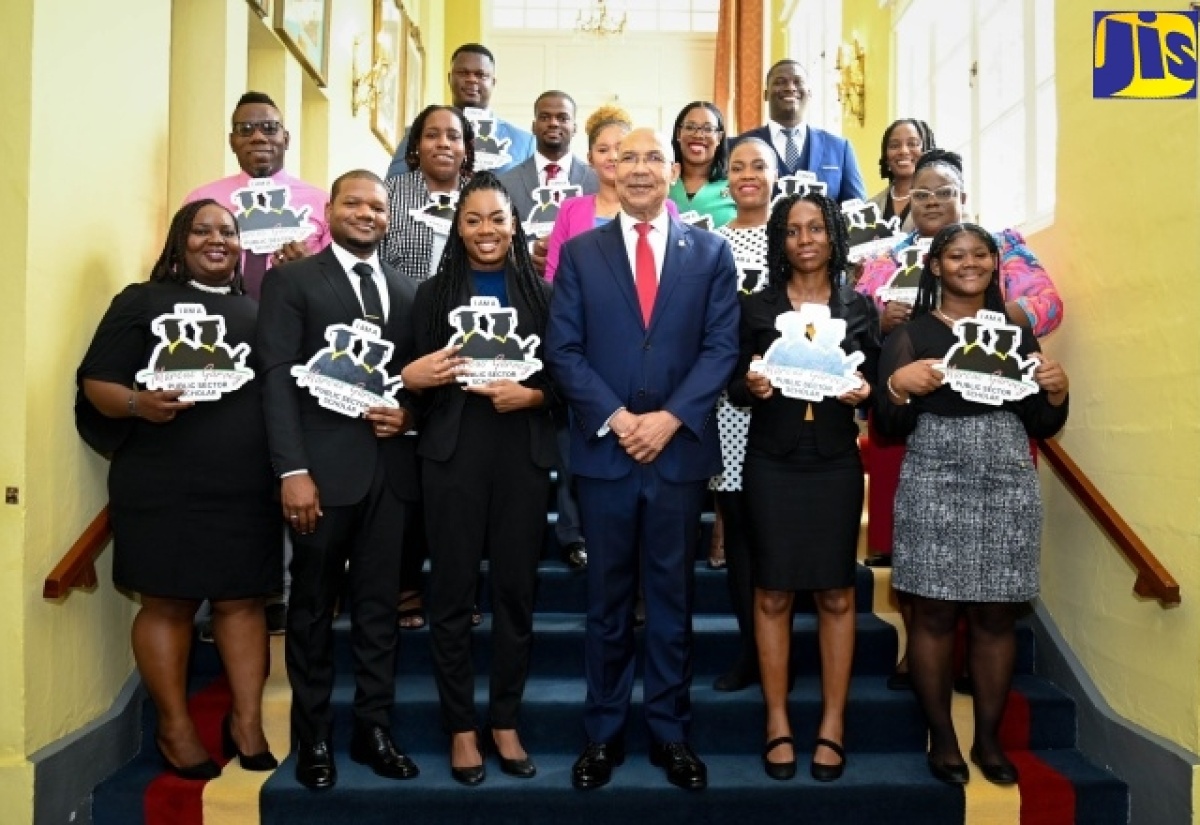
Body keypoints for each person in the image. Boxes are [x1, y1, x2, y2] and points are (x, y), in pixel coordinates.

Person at [545, 127, 740, 792]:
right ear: (607, 168)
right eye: (625, 156)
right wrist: (620, 418)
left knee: (672, 600)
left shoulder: (710, 253)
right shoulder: (578, 253)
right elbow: (563, 351)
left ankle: (670, 731)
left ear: (674, 169)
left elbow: (721, 349)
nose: (638, 168)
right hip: (606, 455)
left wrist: (670, 419)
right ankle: (602, 733)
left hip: (677, 455)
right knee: (606, 603)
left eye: (652, 157)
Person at [76, 200, 281, 779]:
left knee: (243, 600)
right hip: (161, 480)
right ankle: (174, 726)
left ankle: (246, 722)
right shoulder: (138, 302)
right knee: (168, 601)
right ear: (178, 240)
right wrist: (140, 404)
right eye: (203, 230)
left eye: (229, 232)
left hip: (244, 485)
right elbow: (97, 382)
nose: (218, 239)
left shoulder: (256, 310)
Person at [855, 149, 1064, 686]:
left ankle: (972, 657)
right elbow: (854, 316)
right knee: (926, 571)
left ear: (962, 196)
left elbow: (1047, 303)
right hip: (915, 419)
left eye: (944, 191)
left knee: (992, 575)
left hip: (997, 428)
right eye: (921, 193)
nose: (932, 201)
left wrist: (984, 330)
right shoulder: (886, 253)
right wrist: (886, 321)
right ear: (907, 199)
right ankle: (922, 652)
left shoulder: (999, 246)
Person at [876, 222, 1069, 785]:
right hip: (935, 473)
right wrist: (897, 387)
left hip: (1007, 474)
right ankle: (942, 735)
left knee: (995, 614)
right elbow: (888, 426)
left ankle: (988, 738)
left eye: (979, 255)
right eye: (955, 255)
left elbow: (1041, 422)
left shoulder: (1014, 333)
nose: (969, 263)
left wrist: (1056, 391)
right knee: (933, 613)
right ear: (935, 266)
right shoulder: (910, 335)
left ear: (994, 264)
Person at [257, 170, 421, 790]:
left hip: (391, 477)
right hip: (319, 478)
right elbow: (275, 378)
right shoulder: (292, 281)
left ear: (389, 218)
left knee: (381, 608)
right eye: (353, 203)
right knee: (312, 609)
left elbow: (415, 381)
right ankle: (314, 734)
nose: (366, 213)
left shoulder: (410, 292)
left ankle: (373, 727)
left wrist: (408, 415)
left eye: (377, 207)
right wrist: (291, 470)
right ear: (329, 211)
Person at [401, 172, 557, 785]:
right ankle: (462, 727)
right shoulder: (431, 296)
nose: (486, 230)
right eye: (474, 220)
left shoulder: (542, 295)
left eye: (497, 218)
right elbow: (410, 383)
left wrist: (535, 396)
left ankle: (505, 721)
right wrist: (415, 378)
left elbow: (565, 377)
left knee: (516, 594)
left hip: (521, 454)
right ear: (457, 228)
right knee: (453, 594)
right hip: (452, 457)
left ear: (514, 224)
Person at [730, 192, 878, 782]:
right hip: (774, 458)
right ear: (781, 241)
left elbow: (878, 382)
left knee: (838, 594)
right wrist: (752, 385)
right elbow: (734, 381)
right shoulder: (757, 307)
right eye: (793, 231)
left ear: (833, 235)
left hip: (837, 460)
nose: (805, 239)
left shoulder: (859, 305)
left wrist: (866, 395)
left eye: (816, 228)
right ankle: (777, 722)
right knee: (772, 594)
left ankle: (833, 725)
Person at [709, 137, 778, 692]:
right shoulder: (709, 244)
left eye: (759, 165)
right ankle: (752, 651)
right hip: (728, 406)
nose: (748, 175)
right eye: (738, 166)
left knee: (783, 530)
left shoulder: (799, 234)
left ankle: (782, 647)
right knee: (742, 532)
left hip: (788, 405)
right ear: (725, 177)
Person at [183, 91, 331, 300]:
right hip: (221, 317)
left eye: (270, 128)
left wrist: (310, 268)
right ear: (232, 142)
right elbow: (178, 266)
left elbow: (341, 279)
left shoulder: (323, 203)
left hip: (298, 319)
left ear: (286, 139)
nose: (258, 137)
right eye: (245, 129)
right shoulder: (200, 200)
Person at [543, 106, 679, 281]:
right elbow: (553, 275)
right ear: (590, 159)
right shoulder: (570, 209)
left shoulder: (664, 207)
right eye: (602, 150)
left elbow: (675, 269)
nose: (613, 156)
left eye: (621, 150)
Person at [385, 44, 533, 178]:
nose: (472, 80)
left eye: (481, 75)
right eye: (463, 73)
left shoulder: (525, 143)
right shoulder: (419, 133)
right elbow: (394, 186)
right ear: (450, 78)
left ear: (493, 82)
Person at [735, 59, 866, 203]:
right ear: (766, 94)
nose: (790, 88)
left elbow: (856, 208)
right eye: (780, 82)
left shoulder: (839, 148)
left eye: (798, 82)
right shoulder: (737, 146)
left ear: (809, 93)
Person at [379, 105, 476, 284]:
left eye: (453, 137)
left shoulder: (479, 197)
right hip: (402, 306)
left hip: (465, 306)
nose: (443, 143)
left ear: (465, 149)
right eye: (432, 135)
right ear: (417, 145)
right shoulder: (389, 192)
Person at [497, 90, 599, 228]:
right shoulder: (505, 183)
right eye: (545, 117)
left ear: (574, 128)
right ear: (533, 126)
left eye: (563, 118)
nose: (553, 123)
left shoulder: (596, 181)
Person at [667, 101, 736, 229]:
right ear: (678, 134)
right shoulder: (661, 181)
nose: (698, 135)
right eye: (690, 127)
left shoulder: (735, 184)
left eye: (708, 129)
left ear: (719, 138)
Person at [867, 119, 937, 233]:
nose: (903, 151)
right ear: (886, 157)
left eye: (912, 144)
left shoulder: (943, 199)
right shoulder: (871, 206)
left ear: (926, 150)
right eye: (894, 145)